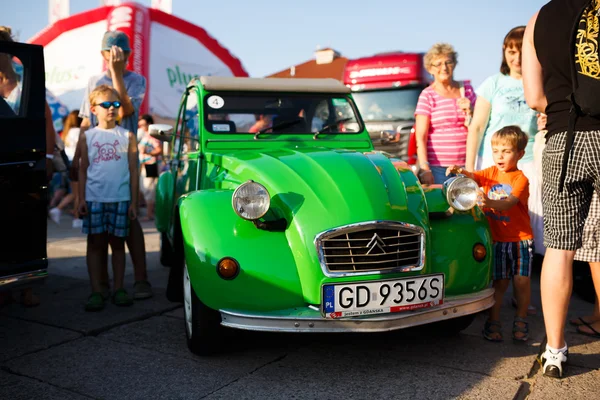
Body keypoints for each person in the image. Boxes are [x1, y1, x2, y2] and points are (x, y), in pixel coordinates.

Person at [523, 0, 600, 378]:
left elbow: (534, 97)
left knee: (560, 247)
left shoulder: (539, 18)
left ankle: (554, 351)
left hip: (562, 138)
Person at [74, 30, 152, 300]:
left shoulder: (136, 79)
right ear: (103, 54)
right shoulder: (95, 81)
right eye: (113, 51)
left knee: (130, 223)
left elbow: (126, 111)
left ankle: (140, 278)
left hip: (125, 151)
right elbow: (86, 119)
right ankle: (101, 284)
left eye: (124, 52)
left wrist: (117, 73)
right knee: (96, 234)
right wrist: (75, 159)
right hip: (97, 157)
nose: (119, 56)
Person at [447, 126, 533, 343]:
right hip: (498, 241)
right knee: (500, 283)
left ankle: (521, 319)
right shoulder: (490, 173)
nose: (500, 156)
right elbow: (473, 176)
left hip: (520, 240)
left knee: (521, 282)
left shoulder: (520, 179)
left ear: (520, 154)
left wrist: (489, 202)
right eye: (496, 151)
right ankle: (493, 322)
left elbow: (510, 203)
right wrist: (460, 171)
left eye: (506, 151)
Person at [0, 26, 55, 308]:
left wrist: (45, 159)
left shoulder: (25, 86)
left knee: (28, 223)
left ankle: (27, 288)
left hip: (26, 164)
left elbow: (45, 123)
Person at [78, 85, 138, 311]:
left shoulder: (127, 136)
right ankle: (96, 291)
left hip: (121, 198)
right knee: (95, 245)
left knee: (118, 245)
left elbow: (133, 170)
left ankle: (119, 288)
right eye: (105, 105)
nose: (111, 109)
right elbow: (83, 169)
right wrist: (80, 199)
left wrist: (133, 201)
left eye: (115, 104)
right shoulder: (88, 137)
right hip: (94, 199)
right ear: (93, 109)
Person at [414, 43, 476, 184]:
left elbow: (480, 125)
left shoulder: (466, 90)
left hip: (467, 166)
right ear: (430, 69)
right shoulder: (427, 95)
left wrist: (471, 110)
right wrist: (425, 168)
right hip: (438, 169)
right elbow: (421, 137)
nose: (444, 67)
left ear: (454, 64)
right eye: (438, 64)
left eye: (448, 62)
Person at [49, 111, 83, 227]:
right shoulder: (79, 132)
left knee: (74, 192)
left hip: (68, 163)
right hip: (78, 162)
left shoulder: (68, 132)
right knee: (78, 193)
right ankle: (76, 218)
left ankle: (59, 209)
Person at [137, 114, 162, 220]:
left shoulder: (152, 136)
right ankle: (150, 212)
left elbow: (159, 149)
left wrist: (148, 152)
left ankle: (149, 214)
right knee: (146, 188)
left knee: (149, 189)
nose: (140, 125)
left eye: (143, 123)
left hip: (151, 165)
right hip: (146, 165)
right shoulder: (146, 135)